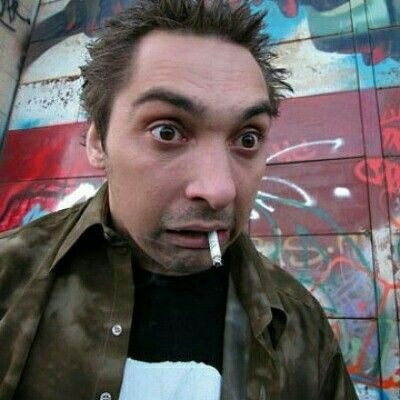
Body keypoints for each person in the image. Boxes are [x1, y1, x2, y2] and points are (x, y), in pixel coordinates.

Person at [0, 1, 359, 399]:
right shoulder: (10, 280)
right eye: (167, 132)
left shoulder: (299, 327)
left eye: (247, 138)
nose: (219, 189)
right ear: (98, 142)